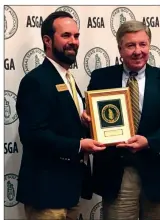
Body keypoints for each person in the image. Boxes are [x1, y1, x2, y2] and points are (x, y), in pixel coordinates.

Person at [82, 20, 160, 220]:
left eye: (143, 44)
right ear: (120, 49)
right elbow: (92, 117)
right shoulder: (101, 78)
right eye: (131, 45)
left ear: (149, 45)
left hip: (158, 175)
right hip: (118, 176)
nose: (138, 51)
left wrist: (149, 141)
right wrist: (87, 119)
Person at [16, 11, 105, 220]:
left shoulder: (67, 78)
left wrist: (82, 121)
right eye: (66, 36)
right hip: (45, 193)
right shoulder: (36, 81)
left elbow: (59, 123)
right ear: (47, 40)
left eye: (76, 36)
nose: (73, 42)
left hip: (69, 189)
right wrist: (79, 145)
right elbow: (32, 135)